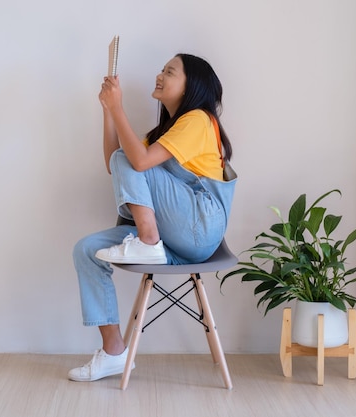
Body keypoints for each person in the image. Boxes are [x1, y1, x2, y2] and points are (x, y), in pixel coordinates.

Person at [68, 53, 236, 382]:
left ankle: (147, 240)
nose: (159, 75)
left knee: (132, 158)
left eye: (169, 72)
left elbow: (139, 162)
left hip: (199, 229)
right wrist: (108, 111)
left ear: (192, 86)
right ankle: (115, 353)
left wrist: (119, 108)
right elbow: (114, 163)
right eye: (162, 69)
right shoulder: (167, 131)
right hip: (172, 235)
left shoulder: (199, 120)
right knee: (86, 250)